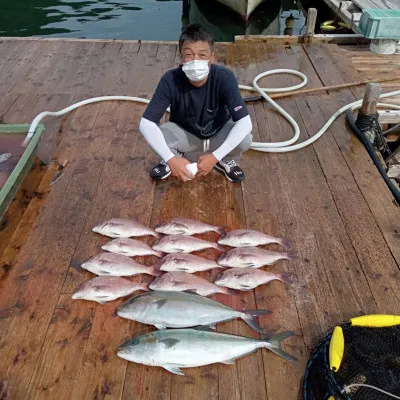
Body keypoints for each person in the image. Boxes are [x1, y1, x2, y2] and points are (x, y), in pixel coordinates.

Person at [139, 23, 253, 183]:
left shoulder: (225, 78)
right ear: (181, 56)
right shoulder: (170, 80)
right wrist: (170, 158)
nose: (195, 61)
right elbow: (146, 123)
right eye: (189, 54)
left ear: (212, 57)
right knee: (157, 134)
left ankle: (225, 159)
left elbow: (245, 122)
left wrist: (215, 157)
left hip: (217, 134)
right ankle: (173, 160)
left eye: (202, 55)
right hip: (185, 135)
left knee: (245, 138)